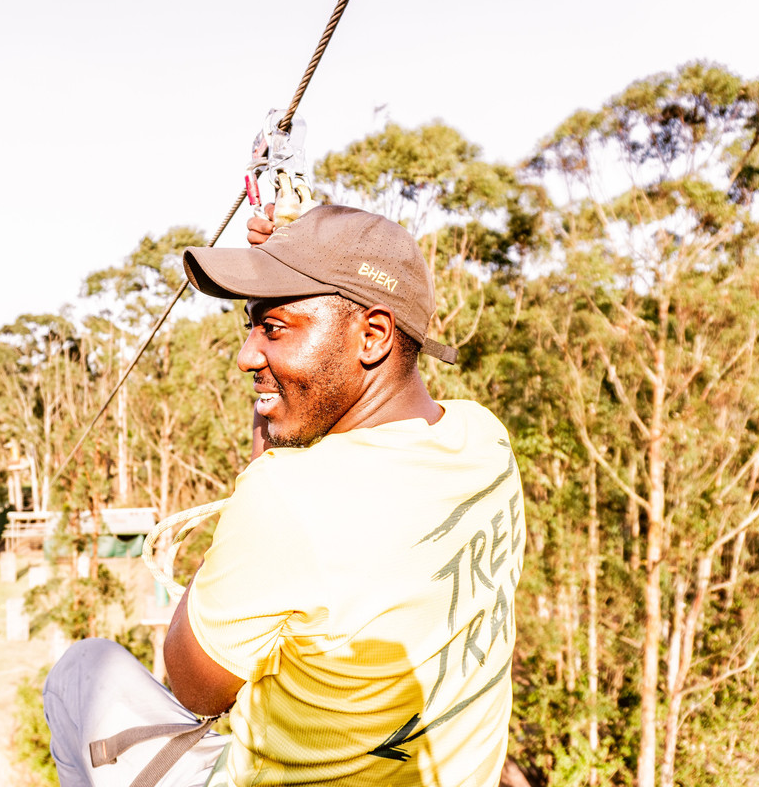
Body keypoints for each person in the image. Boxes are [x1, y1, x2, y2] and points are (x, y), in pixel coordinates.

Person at [44, 204, 525, 787]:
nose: (247, 355)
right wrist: (291, 268)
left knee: (82, 670)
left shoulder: (288, 496)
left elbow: (196, 688)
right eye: (251, 326)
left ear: (372, 335)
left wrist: (259, 478)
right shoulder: (483, 437)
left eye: (273, 328)